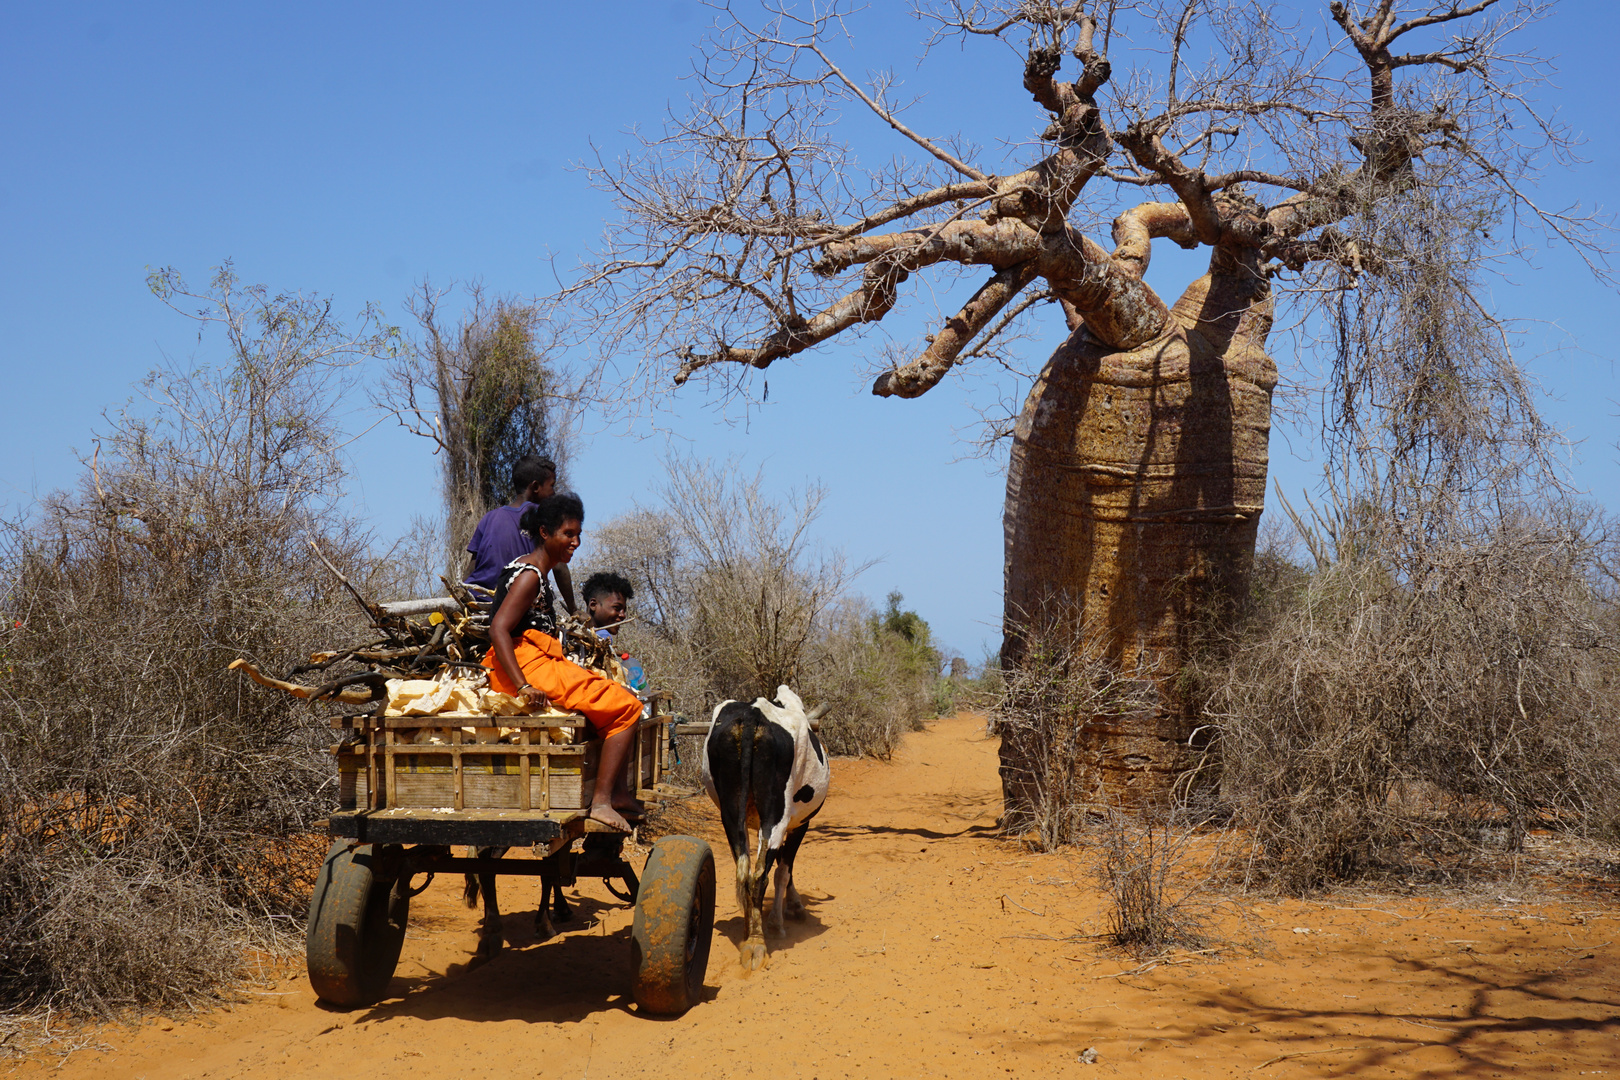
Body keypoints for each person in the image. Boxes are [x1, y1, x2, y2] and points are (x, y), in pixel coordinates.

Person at [482, 494, 642, 831]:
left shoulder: (536, 569)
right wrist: (524, 686)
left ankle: (620, 794)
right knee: (627, 706)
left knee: (610, 694)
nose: (576, 541)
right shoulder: (529, 576)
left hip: (537, 656)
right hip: (525, 663)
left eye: (578, 534)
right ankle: (601, 802)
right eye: (568, 534)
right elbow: (498, 629)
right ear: (545, 532)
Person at [463, 455, 576, 614]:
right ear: (536, 487)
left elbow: (472, 567)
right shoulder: (544, 517)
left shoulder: (489, 517)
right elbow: (559, 567)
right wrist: (573, 610)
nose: (554, 492)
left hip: (475, 600)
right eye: (552, 486)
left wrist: (459, 597)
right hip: (513, 603)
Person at [581, 571, 635, 638]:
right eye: (617, 608)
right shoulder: (603, 635)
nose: (623, 615)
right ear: (593, 605)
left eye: (624, 610)